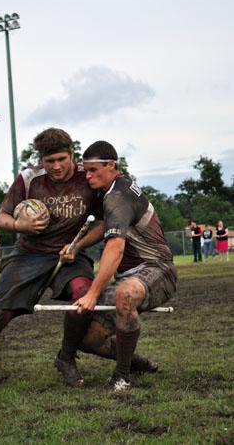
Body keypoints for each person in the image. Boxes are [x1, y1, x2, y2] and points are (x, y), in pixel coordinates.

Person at [0, 128, 106, 387]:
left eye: (62, 159)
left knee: (83, 294)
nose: (56, 166)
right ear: (41, 159)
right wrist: (21, 226)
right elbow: (1, 218)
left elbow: (104, 223)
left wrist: (78, 245)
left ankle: (66, 357)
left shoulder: (89, 178)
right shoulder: (29, 179)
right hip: (29, 254)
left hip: (70, 253)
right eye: (49, 161)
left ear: (72, 155)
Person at [61, 141, 177, 392]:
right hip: (130, 274)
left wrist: (93, 294)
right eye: (86, 171)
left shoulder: (117, 196)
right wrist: (77, 246)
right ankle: (135, 363)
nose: (88, 176)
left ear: (111, 165)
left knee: (125, 295)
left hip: (158, 269)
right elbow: (104, 226)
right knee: (88, 338)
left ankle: (121, 376)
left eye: (93, 170)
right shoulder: (111, 191)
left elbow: (115, 247)